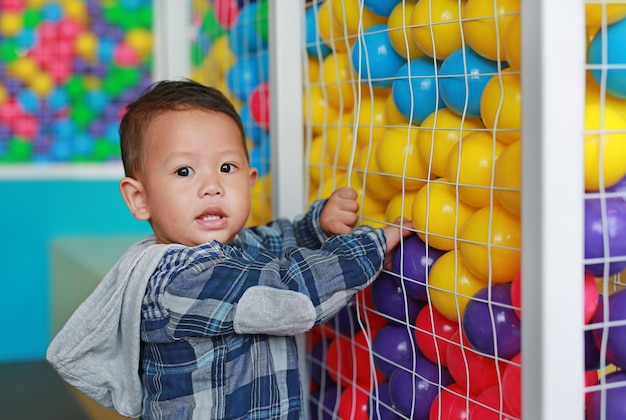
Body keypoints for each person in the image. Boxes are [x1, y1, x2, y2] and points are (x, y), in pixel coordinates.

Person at [47, 79, 413, 419]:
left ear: (250, 182)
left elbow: (273, 239)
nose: (211, 186)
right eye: (184, 172)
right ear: (139, 198)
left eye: (226, 167)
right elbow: (291, 294)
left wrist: (315, 225)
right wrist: (371, 243)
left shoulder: (234, 248)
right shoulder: (179, 278)